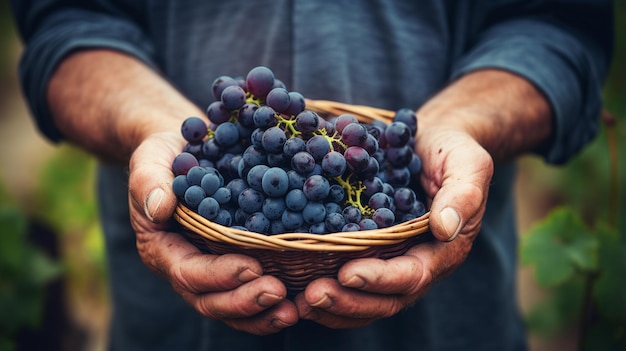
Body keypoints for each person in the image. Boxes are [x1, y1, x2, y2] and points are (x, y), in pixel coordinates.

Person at [10, 1, 613, 350]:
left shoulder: (339, 172)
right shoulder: (260, 160)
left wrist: (463, 122)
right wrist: (148, 123)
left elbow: (554, 25)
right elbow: (68, 23)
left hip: (448, 327)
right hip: (173, 329)